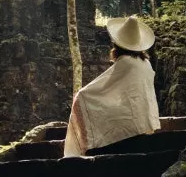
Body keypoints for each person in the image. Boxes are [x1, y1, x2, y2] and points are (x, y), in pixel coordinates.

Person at [63, 15, 160, 157]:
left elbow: (103, 86)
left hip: (131, 123)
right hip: (142, 119)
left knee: (83, 99)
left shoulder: (127, 62)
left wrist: (82, 95)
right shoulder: (145, 63)